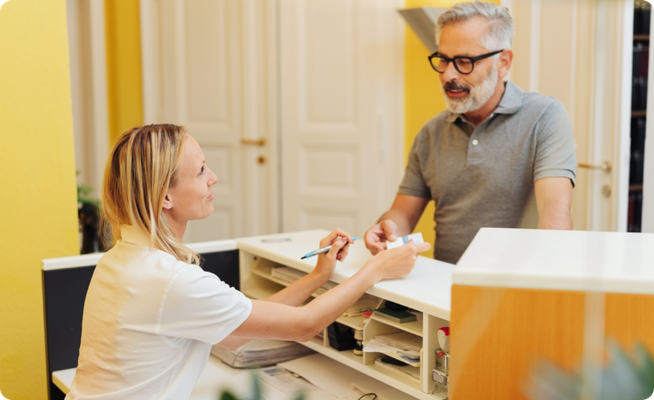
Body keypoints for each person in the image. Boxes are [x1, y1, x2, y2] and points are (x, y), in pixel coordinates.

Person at [66, 124, 430, 399]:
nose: (214, 178)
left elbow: (235, 329)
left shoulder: (122, 261)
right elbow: (305, 325)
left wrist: (320, 275)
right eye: (201, 171)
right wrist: (376, 269)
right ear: (165, 197)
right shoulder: (171, 281)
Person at [364, 1, 576, 264]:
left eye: (464, 61)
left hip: (515, 287)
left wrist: (539, 285)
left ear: (503, 63)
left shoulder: (545, 117)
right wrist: (387, 229)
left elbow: (554, 211)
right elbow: (403, 214)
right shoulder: (431, 133)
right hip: (444, 287)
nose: (448, 75)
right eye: (443, 60)